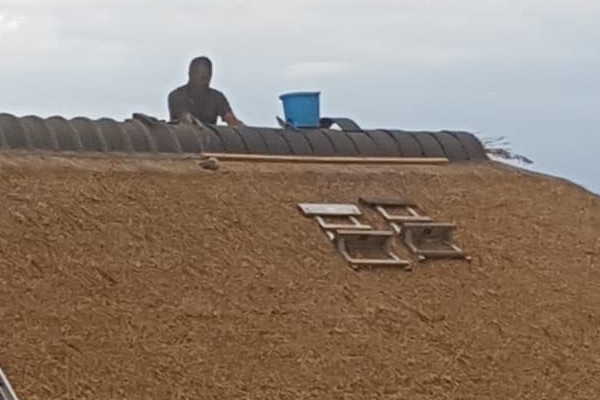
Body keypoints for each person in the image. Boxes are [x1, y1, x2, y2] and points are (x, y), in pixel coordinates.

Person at [168, 56, 242, 126]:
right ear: (190, 74)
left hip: (210, 138)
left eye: (208, 77)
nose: (205, 81)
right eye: (202, 77)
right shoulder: (177, 96)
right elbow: (185, 118)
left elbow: (231, 119)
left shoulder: (217, 97)